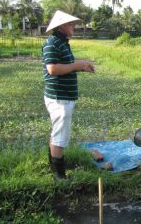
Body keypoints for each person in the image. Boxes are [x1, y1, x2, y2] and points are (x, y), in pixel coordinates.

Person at [42, 10, 95, 179]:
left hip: (63, 97)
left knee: (57, 132)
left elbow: (65, 66)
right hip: (59, 99)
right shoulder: (53, 43)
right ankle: (60, 176)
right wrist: (76, 64)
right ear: (62, 26)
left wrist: (81, 67)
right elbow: (52, 69)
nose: (74, 26)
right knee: (60, 136)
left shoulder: (62, 43)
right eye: (71, 24)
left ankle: (54, 167)